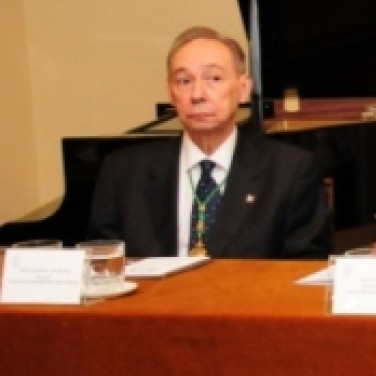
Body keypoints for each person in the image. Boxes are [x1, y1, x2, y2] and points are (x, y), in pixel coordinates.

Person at [88, 26, 331, 258]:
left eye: (214, 78)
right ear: (171, 92)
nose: (197, 95)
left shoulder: (290, 171)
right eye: (184, 81)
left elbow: (303, 270)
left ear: (244, 88)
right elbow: (103, 269)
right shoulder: (123, 172)